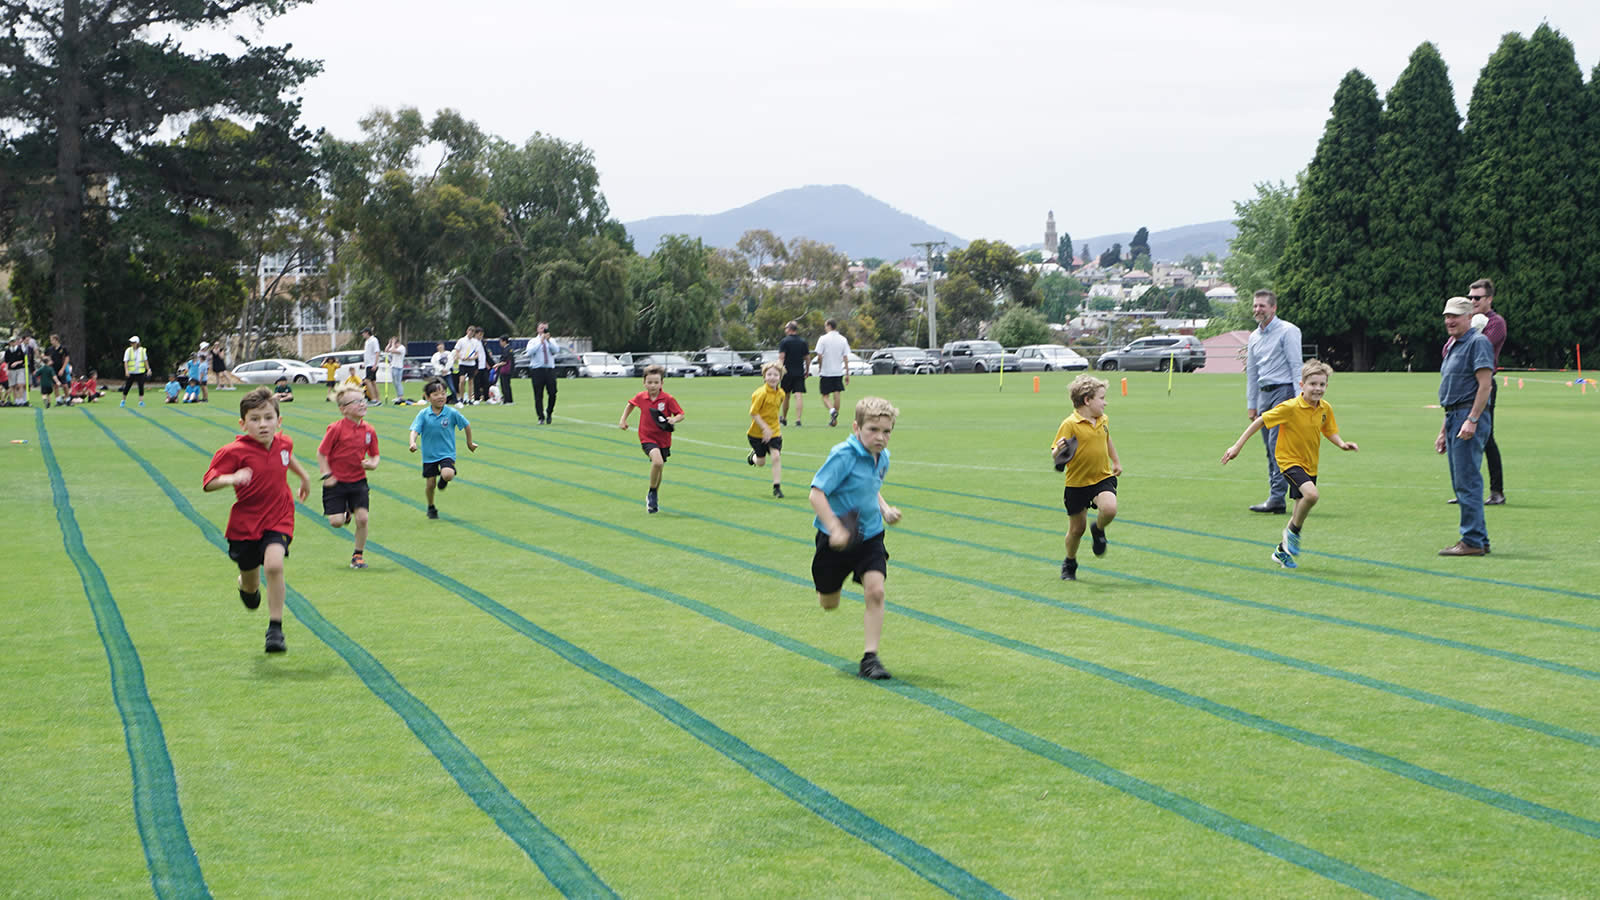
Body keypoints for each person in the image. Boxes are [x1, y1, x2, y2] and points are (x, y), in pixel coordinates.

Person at [202, 386, 312, 654]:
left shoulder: (284, 442)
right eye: (255, 419)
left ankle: (275, 629)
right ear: (243, 423)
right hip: (245, 524)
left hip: (279, 515)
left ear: (278, 420)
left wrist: (304, 476)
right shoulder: (233, 451)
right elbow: (209, 481)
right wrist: (233, 478)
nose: (262, 424)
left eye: (268, 418)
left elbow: (286, 457)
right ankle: (246, 587)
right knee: (251, 584)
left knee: (274, 565)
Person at [1222, 360, 1358, 569]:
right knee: (1311, 495)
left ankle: (1281, 551)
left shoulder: (1325, 408)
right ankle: (1293, 532)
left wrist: (1341, 444)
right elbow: (1260, 421)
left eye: (1322, 385)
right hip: (1289, 462)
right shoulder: (1290, 407)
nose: (1318, 389)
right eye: (1313, 384)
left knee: (1299, 511)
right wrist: (1236, 446)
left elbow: (1328, 429)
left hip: (1310, 464)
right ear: (1301, 385)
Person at [809, 396, 902, 680]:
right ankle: (829, 587)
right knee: (829, 603)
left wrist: (885, 509)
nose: (880, 437)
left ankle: (870, 658)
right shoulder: (843, 455)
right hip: (834, 539)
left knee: (876, 591)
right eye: (873, 430)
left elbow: (871, 487)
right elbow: (817, 493)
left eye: (886, 431)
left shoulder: (882, 457)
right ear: (856, 427)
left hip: (870, 535)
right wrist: (835, 528)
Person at [1436, 296, 1495, 557]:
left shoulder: (1477, 342)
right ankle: (1479, 539)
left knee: (1467, 481)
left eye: (1456, 315)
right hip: (1453, 416)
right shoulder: (1454, 345)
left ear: (1469, 317)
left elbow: (1485, 385)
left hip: (1466, 416)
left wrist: (1471, 420)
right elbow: (1452, 390)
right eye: (1447, 315)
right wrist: (1443, 430)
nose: (1450, 320)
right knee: (1462, 480)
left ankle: (1471, 540)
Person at [1051, 374, 1122, 581]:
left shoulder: (1103, 419)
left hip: (1101, 477)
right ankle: (1070, 561)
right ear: (1087, 400)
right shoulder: (1070, 424)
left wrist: (1116, 461)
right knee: (1076, 529)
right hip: (1077, 483)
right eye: (1102, 398)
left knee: (1109, 508)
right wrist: (1058, 454)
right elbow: (1056, 451)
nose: (1105, 402)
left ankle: (1098, 529)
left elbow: (1107, 439)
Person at [1243, 290, 1303, 513]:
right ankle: (1277, 496)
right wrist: (1252, 403)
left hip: (1284, 391)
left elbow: (1296, 366)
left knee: (1277, 446)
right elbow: (1252, 371)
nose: (1258, 310)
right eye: (1255, 306)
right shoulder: (1254, 337)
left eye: (1262, 306)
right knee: (1270, 448)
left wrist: (1299, 401)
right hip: (1264, 394)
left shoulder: (1288, 331)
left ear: (1273, 308)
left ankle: (1277, 497)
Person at [318, 386, 381, 569]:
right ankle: (345, 513)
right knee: (336, 522)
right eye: (356, 402)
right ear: (343, 409)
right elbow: (321, 453)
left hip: (358, 481)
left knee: (362, 519)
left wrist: (373, 463)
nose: (362, 404)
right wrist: (326, 475)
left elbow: (375, 454)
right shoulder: (335, 429)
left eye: (363, 400)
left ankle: (358, 555)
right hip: (336, 482)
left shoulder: (369, 430)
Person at [1459, 279, 1507, 506]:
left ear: (1489, 299)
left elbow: (1481, 347)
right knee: (1460, 436)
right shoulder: (1466, 321)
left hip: (1484, 384)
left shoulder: (1496, 323)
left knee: (1485, 437)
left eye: (1477, 297)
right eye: (1470, 297)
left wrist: (1473, 329)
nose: (1472, 301)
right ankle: (1466, 491)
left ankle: (1497, 491)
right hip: (1463, 385)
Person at [619, 365, 684, 514]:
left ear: (661, 383)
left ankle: (653, 493)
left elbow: (681, 414)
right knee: (657, 462)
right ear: (644, 382)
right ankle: (652, 493)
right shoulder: (641, 397)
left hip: (664, 439)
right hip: (647, 437)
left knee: (659, 467)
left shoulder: (668, 399)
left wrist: (674, 420)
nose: (653, 386)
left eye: (656, 382)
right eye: (649, 382)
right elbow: (630, 405)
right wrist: (623, 420)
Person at [409, 379, 477, 520]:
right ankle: (431, 506)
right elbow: (415, 430)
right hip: (429, 455)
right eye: (435, 394)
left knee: (447, 474)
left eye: (443, 393)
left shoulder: (452, 412)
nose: (440, 397)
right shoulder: (423, 414)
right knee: (430, 484)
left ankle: (444, 479)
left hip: (447, 453)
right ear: (427, 397)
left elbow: (466, 425)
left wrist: (469, 443)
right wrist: (412, 443)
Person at [746, 361, 787, 498]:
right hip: (757, 433)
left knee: (776, 456)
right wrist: (764, 428)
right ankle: (753, 457)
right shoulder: (760, 393)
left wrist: (772, 428)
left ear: (780, 377)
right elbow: (753, 413)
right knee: (761, 462)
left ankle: (777, 487)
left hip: (774, 431)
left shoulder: (781, 393)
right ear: (764, 377)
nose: (772, 377)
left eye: (776, 374)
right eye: (769, 374)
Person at [812, 318, 850, 427]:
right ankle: (834, 420)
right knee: (837, 394)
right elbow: (846, 356)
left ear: (829, 326)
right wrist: (847, 372)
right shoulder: (843, 339)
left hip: (826, 371)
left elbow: (819, 355)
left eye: (825, 326)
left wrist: (820, 366)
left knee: (825, 396)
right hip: (838, 371)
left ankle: (832, 411)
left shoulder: (823, 339)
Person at [526, 322, 562, 424]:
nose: (543, 330)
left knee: (553, 392)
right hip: (537, 370)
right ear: (538, 329)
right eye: (542, 328)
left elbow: (556, 350)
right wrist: (540, 342)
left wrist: (548, 341)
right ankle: (540, 417)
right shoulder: (533, 341)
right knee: (538, 394)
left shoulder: (551, 341)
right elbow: (529, 352)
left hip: (549, 370)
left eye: (545, 329)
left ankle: (549, 412)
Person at [778, 320, 810, 426]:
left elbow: (781, 358)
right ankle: (798, 419)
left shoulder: (784, 342)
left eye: (786, 328)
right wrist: (807, 370)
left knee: (786, 395)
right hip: (799, 372)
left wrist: (779, 371)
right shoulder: (803, 342)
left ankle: (784, 417)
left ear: (790, 329)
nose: (785, 330)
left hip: (787, 372)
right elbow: (807, 358)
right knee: (798, 395)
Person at [120, 335, 150, 407]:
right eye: (131, 342)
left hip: (140, 372)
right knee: (127, 386)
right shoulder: (128, 350)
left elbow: (145, 361)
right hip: (131, 372)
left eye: (133, 342)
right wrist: (126, 371)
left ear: (137, 343)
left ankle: (141, 401)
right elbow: (125, 361)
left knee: (141, 387)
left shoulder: (142, 350)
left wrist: (148, 369)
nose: (132, 344)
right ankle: (123, 400)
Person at [359, 327, 381, 403]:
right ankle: (378, 399)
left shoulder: (374, 340)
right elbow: (367, 354)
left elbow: (377, 352)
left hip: (372, 364)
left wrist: (375, 364)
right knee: (373, 382)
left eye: (363, 333)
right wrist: (364, 364)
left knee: (367, 381)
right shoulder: (367, 341)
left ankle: (374, 399)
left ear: (367, 333)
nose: (362, 335)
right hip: (368, 364)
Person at [385, 336, 407, 404]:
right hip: (393, 366)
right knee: (395, 383)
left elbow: (393, 351)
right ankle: (398, 396)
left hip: (399, 367)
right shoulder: (394, 346)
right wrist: (389, 344)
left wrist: (393, 343)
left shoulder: (402, 348)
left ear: (397, 343)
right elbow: (386, 350)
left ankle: (401, 396)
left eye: (394, 343)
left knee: (398, 382)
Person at [493, 336, 515, 406]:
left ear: (504, 341)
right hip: (508, 370)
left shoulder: (507, 349)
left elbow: (505, 361)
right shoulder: (509, 349)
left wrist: (497, 365)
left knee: (505, 385)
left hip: (505, 370)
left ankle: (507, 400)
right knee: (507, 385)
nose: (500, 343)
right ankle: (509, 400)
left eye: (500, 341)